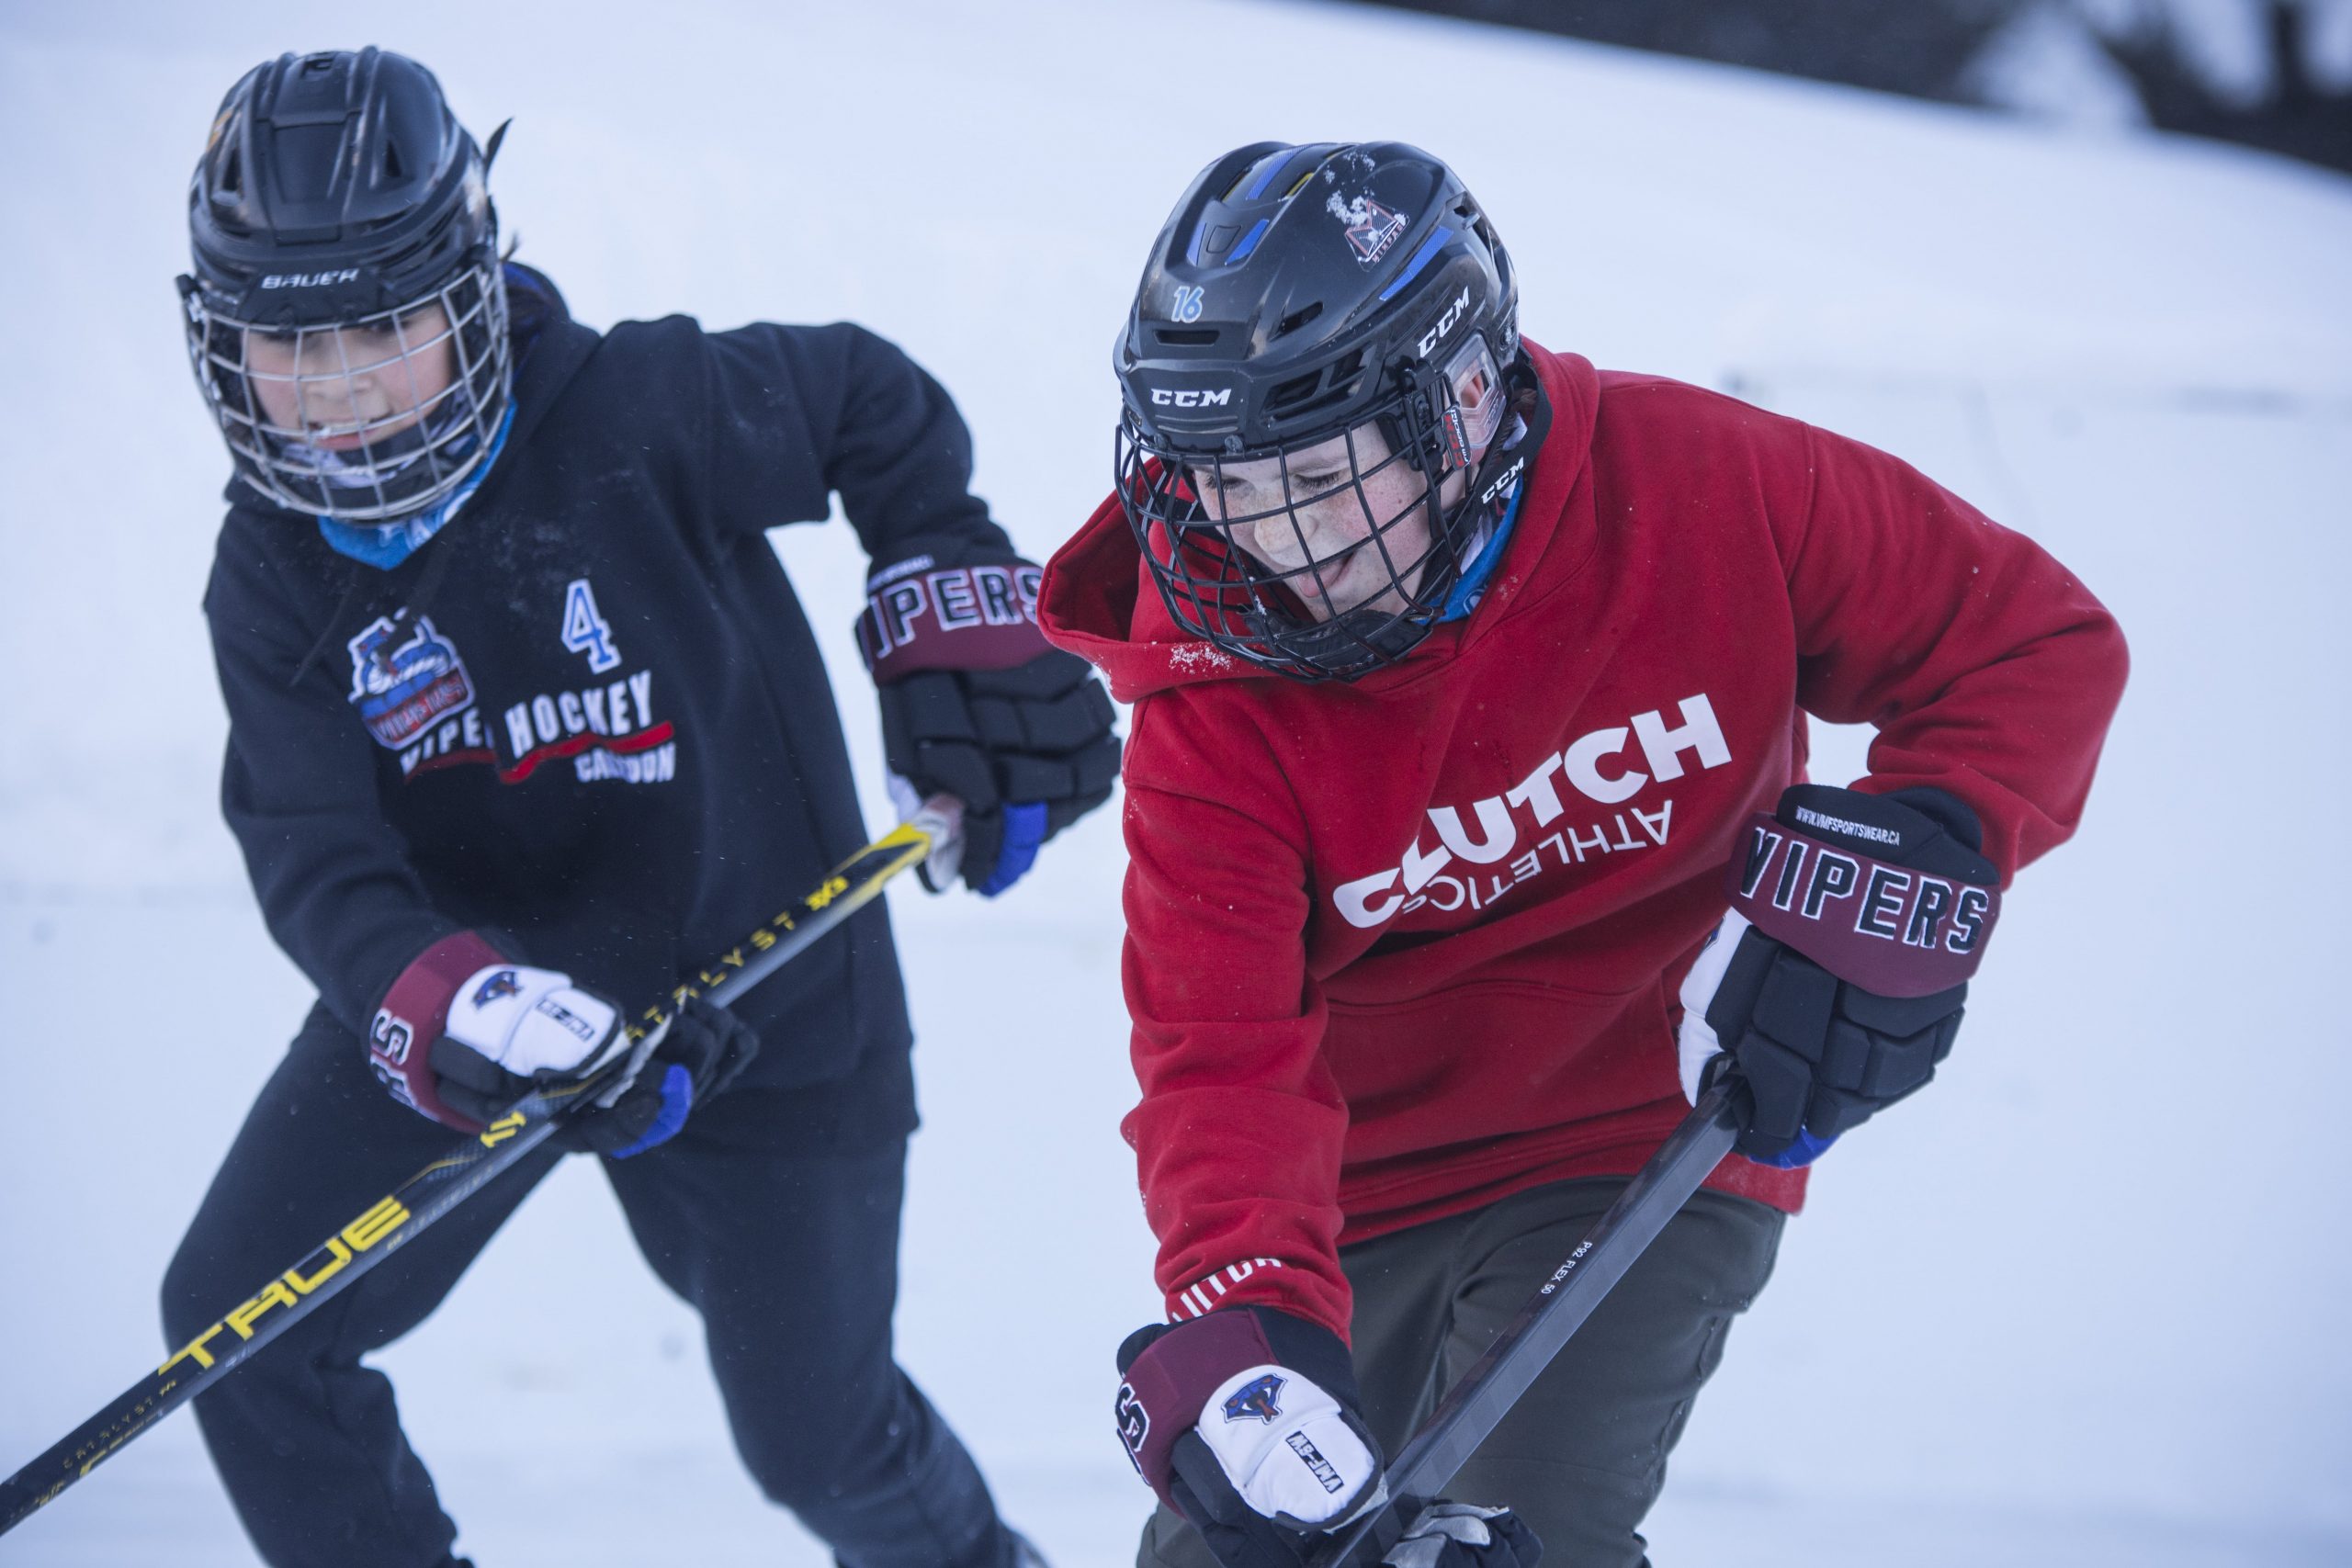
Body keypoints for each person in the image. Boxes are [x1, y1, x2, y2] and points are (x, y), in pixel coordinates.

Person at [1036, 141, 2127, 1568]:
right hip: (1351, 1201)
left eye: (1310, 476)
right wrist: (1250, 1317)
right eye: (1221, 485)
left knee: (1505, 1535)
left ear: (1463, 403)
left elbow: (2026, 643)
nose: (1271, 543)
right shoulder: (1214, 701)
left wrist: (1927, 851)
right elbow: (1219, 1051)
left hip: (1649, 1141)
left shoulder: (1710, 487)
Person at [161, 48, 1118, 1568]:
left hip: (776, 996)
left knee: (819, 1436)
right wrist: (462, 1007)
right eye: (288, 342)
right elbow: (318, 864)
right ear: (219, 340)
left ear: (473, 288)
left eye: (385, 325)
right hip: (481, 1012)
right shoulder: (273, 573)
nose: (336, 389)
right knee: (239, 1335)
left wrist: (948, 603)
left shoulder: (641, 409)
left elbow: (869, 398)